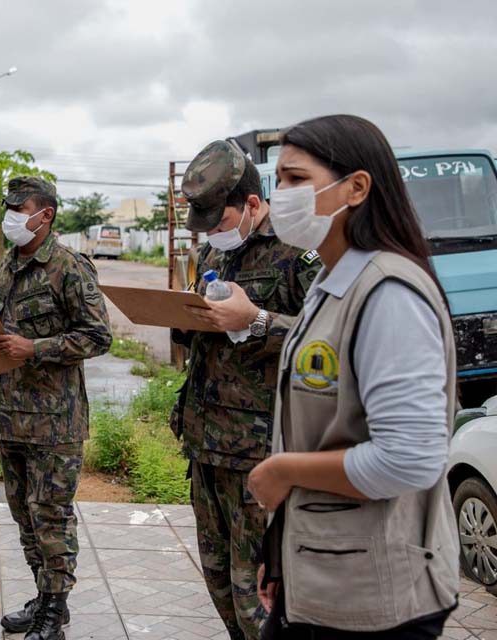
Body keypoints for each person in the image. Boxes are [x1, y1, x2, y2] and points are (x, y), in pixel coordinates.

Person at [247, 114, 460, 639]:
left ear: (357, 187)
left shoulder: (388, 294)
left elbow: (408, 459)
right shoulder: (331, 281)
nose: (284, 194)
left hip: (374, 597)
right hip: (324, 573)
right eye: (280, 181)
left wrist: (283, 471)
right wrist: (283, 557)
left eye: (298, 179)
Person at [0, 176, 112, 640]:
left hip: (56, 421)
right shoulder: (8, 265)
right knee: (24, 516)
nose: (11, 216)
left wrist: (35, 348)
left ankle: (55, 610)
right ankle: (44, 595)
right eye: (9, 207)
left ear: (45, 215)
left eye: (20, 209)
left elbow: (98, 337)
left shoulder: (69, 267)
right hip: (11, 414)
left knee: (51, 515)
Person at [171, 140, 322, 640]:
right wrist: (182, 321)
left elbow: (329, 343)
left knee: (255, 589)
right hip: (206, 444)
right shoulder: (217, 249)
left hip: (260, 452)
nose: (211, 234)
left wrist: (256, 322)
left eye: (218, 221)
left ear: (253, 205)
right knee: (217, 579)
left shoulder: (302, 252)